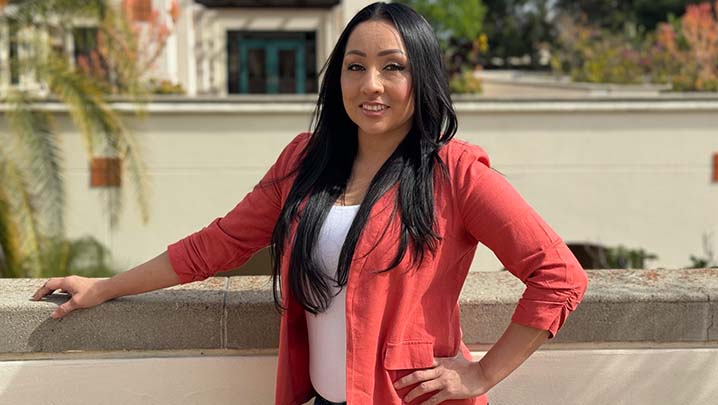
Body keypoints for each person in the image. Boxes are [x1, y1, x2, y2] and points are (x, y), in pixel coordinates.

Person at [31, 2, 588, 404]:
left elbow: (559, 276)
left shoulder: (454, 172)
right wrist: (103, 287)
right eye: (355, 65)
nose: (372, 84)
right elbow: (218, 245)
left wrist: (481, 375)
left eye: (393, 66)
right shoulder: (305, 160)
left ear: (422, 76)